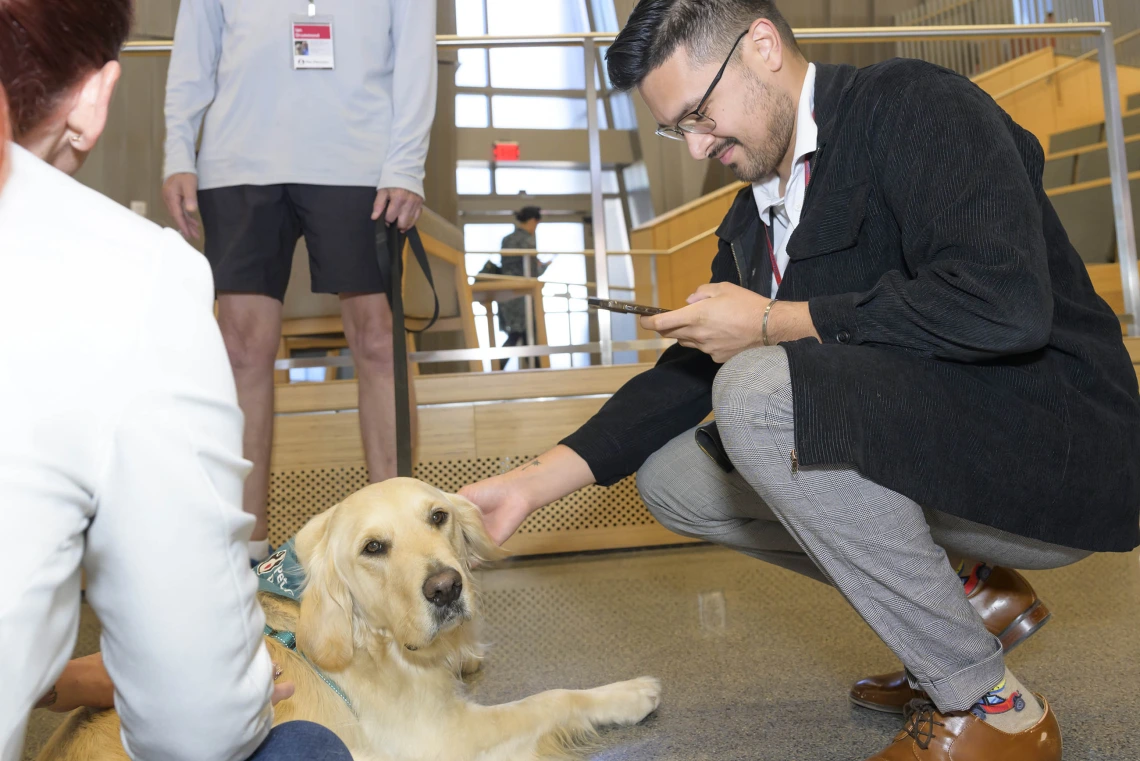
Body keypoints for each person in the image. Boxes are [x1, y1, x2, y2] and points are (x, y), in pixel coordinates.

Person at [460, 2, 1140, 759]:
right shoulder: (754, 219)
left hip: (1060, 447)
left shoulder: (914, 106)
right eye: (675, 129)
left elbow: (1004, 305)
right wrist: (530, 481)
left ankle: (992, 705)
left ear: (761, 46)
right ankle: (965, 597)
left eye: (699, 113)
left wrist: (774, 323)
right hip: (942, 446)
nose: (695, 146)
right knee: (673, 476)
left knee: (757, 393)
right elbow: (688, 373)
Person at [0, 1, 350, 759]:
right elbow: (199, 727)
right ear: (95, 100)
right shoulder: (137, 276)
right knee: (303, 747)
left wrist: (59, 680)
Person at [162, 0, 438, 563]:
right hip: (238, 158)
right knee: (241, 349)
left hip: (359, 157)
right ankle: (245, 550)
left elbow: (415, 52)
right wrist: (177, 150)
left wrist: (406, 162)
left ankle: (404, 545)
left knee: (379, 343)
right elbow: (195, 48)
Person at [481, 206, 550, 370]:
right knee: (523, 333)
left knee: (521, 334)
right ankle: (539, 371)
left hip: (507, 293)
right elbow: (533, 272)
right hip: (523, 295)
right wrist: (545, 266)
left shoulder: (507, 239)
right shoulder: (527, 240)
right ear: (533, 221)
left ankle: (537, 370)